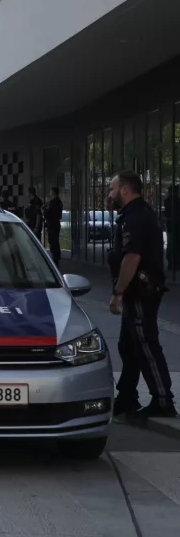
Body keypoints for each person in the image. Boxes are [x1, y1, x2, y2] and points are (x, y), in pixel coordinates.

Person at [107, 171, 176, 419]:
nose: (110, 193)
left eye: (112, 189)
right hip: (138, 291)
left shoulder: (135, 217)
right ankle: (127, 396)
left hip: (139, 292)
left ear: (125, 190)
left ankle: (163, 400)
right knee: (128, 345)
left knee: (145, 343)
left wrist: (118, 292)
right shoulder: (135, 214)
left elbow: (132, 257)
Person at [44, 187, 63, 267]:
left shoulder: (53, 202)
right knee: (55, 241)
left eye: (51, 192)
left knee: (52, 242)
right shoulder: (59, 202)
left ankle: (55, 259)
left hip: (52, 224)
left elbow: (48, 213)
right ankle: (57, 257)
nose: (50, 194)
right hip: (56, 224)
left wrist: (43, 211)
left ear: (54, 193)